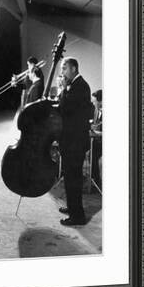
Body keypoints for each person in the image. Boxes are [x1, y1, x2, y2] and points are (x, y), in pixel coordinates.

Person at [58, 57, 91, 226]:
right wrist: (65, 89)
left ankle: (78, 216)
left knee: (73, 179)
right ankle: (72, 207)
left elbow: (65, 109)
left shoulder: (81, 86)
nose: (62, 72)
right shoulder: (76, 85)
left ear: (73, 68)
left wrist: (63, 89)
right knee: (70, 177)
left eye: (64, 68)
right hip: (72, 141)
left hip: (75, 143)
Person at [90, 89, 103, 188]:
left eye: (95, 102)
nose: (93, 104)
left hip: (102, 141)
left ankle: (96, 181)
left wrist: (97, 132)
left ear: (101, 101)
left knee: (93, 155)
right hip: (96, 140)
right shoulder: (96, 110)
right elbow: (95, 124)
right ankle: (93, 178)